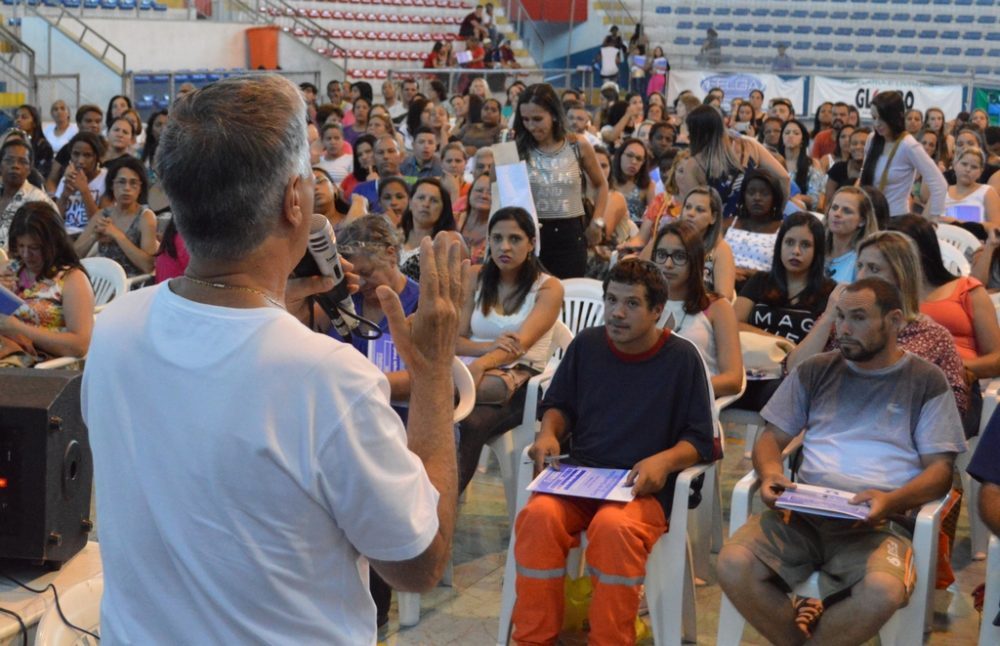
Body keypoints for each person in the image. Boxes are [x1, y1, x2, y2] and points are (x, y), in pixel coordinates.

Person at [81, 74, 465, 644]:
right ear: (293, 201)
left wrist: (280, 302)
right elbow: (418, 563)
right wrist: (432, 374)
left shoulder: (114, 329)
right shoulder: (329, 379)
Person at [718, 277, 966, 645]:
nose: (844, 329)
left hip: (880, 524)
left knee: (882, 591)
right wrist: (770, 473)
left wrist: (891, 501)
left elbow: (940, 471)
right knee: (732, 564)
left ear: (894, 320)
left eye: (858, 318)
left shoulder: (925, 381)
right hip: (803, 514)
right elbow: (772, 438)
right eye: (840, 316)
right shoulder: (817, 369)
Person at [512, 257, 715, 644]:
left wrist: (665, 461)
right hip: (583, 477)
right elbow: (560, 406)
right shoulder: (587, 345)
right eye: (611, 300)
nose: (617, 313)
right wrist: (549, 433)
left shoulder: (681, 359)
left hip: (642, 489)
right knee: (538, 518)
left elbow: (700, 439)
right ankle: (533, 639)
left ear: (657, 310)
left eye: (632, 303)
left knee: (613, 528)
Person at [788, 230, 969, 418]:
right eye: (859, 266)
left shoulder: (933, 336)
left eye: (874, 269)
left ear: (900, 277)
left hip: (897, 427)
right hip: (826, 421)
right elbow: (793, 373)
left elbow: (955, 406)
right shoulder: (838, 320)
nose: (861, 276)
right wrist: (829, 316)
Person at [455, 206, 562, 493]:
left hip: (522, 383)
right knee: (443, 413)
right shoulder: (476, 276)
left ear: (531, 243)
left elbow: (519, 346)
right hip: (470, 370)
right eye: (497, 238)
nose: (504, 247)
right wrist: (488, 348)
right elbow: (456, 340)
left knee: (470, 421)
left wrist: (479, 365)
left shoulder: (549, 288)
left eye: (515, 239)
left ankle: (442, 504)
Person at [734, 212, 835, 409]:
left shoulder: (828, 292)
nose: (795, 251)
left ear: (817, 251)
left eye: (805, 245)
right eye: (789, 242)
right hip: (750, 368)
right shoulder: (760, 281)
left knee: (780, 391)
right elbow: (732, 324)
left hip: (792, 376)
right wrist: (781, 343)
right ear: (779, 245)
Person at [515, 83, 608, 278]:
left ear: (554, 115)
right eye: (525, 119)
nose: (531, 126)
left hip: (569, 235)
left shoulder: (577, 145)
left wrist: (597, 222)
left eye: (537, 119)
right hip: (529, 233)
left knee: (569, 292)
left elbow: (601, 184)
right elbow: (499, 188)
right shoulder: (518, 148)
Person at [653, 220, 743, 397]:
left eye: (679, 256)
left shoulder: (717, 307)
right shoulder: (645, 302)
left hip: (693, 400)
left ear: (695, 260)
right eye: (661, 254)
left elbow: (733, 380)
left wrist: (676, 390)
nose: (668, 264)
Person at [0, 201, 94, 365]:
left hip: (45, 363)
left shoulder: (72, 279)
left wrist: (19, 329)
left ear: (53, 244)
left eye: (34, 248)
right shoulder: (12, 268)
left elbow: (79, 346)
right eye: (21, 246)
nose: (26, 254)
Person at [682, 105, 789, 221]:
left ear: (695, 134)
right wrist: (778, 213)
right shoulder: (750, 145)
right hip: (755, 223)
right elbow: (784, 178)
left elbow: (693, 210)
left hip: (720, 228)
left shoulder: (694, 164)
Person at [860, 91, 947, 218]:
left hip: (896, 218)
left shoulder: (908, 145)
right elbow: (863, 175)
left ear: (895, 117)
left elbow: (939, 184)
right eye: (874, 118)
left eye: (882, 118)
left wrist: (930, 220)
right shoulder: (872, 139)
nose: (877, 123)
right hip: (869, 216)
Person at [73, 157, 157, 278]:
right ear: (112, 185)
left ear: (140, 188)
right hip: (102, 281)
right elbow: (73, 257)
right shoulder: (102, 215)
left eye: (133, 183)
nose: (127, 188)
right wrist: (93, 237)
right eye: (121, 182)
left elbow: (148, 266)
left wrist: (118, 235)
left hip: (133, 283)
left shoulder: (146, 217)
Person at [725, 168, 787, 281]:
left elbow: (785, 271)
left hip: (762, 286)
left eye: (764, 193)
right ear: (744, 196)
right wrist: (719, 271)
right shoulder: (727, 224)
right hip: (723, 282)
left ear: (774, 197)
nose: (757, 198)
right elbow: (709, 256)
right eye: (751, 192)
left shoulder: (784, 230)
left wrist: (747, 273)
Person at [0, 138, 57, 250]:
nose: (15, 165)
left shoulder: (40, 202)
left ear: (30, 169)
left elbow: (51, 243)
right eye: (9, 160)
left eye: (22, 162)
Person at [399, 178, 456, 281]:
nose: (426, 204)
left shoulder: (449, 240)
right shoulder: (396, 237)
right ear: (410, 203)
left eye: (434, 200)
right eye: (421, 198)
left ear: (443, 209)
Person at [54, 132, 107, 235]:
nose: (81, 161)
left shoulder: (105, 179)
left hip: (91, 236)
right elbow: (55, 220)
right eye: (76, 154)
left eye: (87, 155)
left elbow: (99, 223)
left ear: (97, 157)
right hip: (65, 235)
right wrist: (64, 195)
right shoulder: (67, 178)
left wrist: (84, 191)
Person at [824, 186, 878, 284]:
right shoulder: (815, 248)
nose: (837, 214)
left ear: (862, 221)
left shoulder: (862, 260)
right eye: (834, 208)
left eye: (846, 211)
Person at [46, 103, 102, 193]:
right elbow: (52, 179)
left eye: (98, 121)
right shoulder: (67, 149)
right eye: (89, 121)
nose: (94, 125)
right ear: (79, 124)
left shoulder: (107, 149)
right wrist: (53, 196)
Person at [942, 146, 1000, 226]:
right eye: (964, 164)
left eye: (974, 167)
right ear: (955, 165)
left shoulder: (987, 192)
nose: (968, 169)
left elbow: (996, 226)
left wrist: (957, 222)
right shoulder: (943, 192)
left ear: (980, 172)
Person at [778, 119, 822, 211]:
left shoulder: (812, 163)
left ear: (802, 139)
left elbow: (815, 199)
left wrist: (795, 198)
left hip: (801, 211)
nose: (791, 136)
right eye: (787, 133)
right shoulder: (775, 161)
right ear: (781, 138)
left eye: (796, 133)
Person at [613, 137, 655, 226]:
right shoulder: (607, 180)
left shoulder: (648, 185)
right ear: (620, 155)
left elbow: (653, 218)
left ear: (643, 163)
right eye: (629, 155)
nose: (634, 161)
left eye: (639, 159)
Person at [824, 127, 869, 206]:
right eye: (854, 144)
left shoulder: (877, 170)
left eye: (863, 144)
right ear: (849, 148)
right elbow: (828, 202)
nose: (858, 147)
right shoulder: (838, 168)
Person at [14, 104, 53, 180]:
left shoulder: (43, 147)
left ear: (34, 123)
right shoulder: (12, 143)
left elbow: (42, 174)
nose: (18, 120)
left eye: (24, 117)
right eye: (17, 117)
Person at [459, 173, 491, 265]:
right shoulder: (452, 219)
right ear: (469, 193)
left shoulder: (498, 230)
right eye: (479, 190)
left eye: (490, 193)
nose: (484, 196)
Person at [340, 133, 377, 199]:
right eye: (359, 155)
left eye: (368, 151)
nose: (364, 157)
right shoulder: (350, 178)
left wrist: (376, 184)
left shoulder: (387, 175)